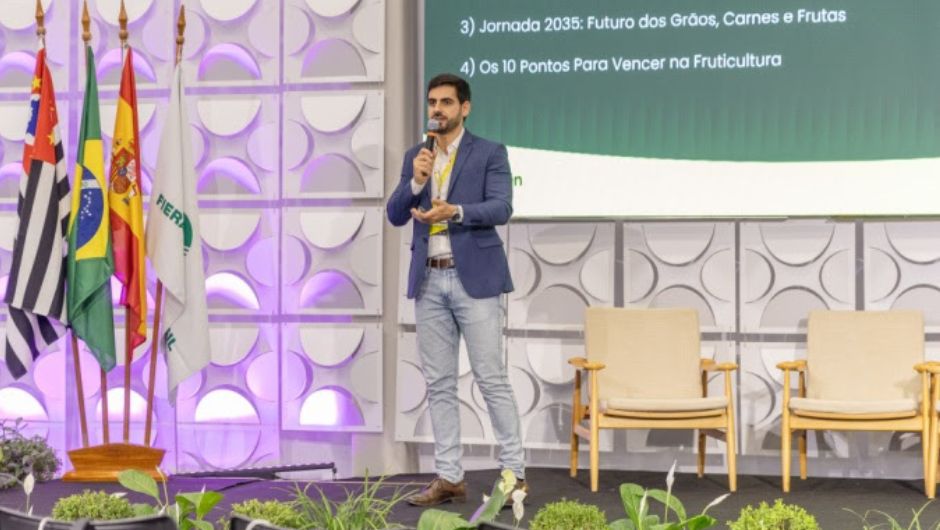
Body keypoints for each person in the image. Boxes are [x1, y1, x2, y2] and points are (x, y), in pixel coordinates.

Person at [387, 73, 526, 506]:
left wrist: (456, 211)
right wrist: (415, 182)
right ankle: (449, 476)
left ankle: (515, 475)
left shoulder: (489, 152)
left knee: (491, 378)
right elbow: (395, 214)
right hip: (429, 279)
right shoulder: (418, 155)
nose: (437, 109)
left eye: (446, 102)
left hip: (475, 280)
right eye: (433, 102)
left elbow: (502, 207)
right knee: (440, 383)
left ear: (464, 108)